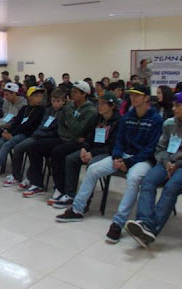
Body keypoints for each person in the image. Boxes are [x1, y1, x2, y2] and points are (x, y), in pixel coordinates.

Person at [55, 84, 163, 245]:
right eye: (131, 95)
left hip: (142, 160)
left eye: (137, 95)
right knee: (93, 169)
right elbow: (119, 141)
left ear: (146, 98)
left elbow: (151, 148)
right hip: (122, 156)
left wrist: (129, 162)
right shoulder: (127, 117)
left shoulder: (156, 120)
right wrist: (117, 156)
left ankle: (118, 222)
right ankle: (77, 209)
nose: (133, 98)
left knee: (134, 178)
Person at [125, 92, 182, 247]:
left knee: (171, 187)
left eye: (178, 105)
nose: (174, 108)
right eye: (173, 105)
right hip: (166, 162)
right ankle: (143, 222)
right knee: (148, 182)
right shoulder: (169, 123)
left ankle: (151, 228)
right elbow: (160, 148)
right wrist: (165, 161)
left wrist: (180, 164)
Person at [23, 81, 97, 198]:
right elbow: (61, 128)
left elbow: (78, 129)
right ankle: (37, 184)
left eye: (75, 92)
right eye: (72, 91)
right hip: (66, 138)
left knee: (58, 152)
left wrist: (70, 118)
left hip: (79, 142)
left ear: (84, 94)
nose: (72, 94)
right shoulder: (70, 106)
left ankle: (60, 188)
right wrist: (72, 133)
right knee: (35, 146)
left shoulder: (89, 111)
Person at [49, 91, 121, 209]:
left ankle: (84, 203)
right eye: (99, 103)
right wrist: (84, 148)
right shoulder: (97, 118)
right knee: (71, 159)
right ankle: (70, 195)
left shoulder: (118, 122)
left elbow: (112, 146)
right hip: (91, 149)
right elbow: (87, 136)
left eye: (103, 104)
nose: (99, 106)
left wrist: (92, 153)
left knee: (92, 165)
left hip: (106, 153)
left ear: (112, 106)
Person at [3, 88, 67, 188]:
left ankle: (27, 178)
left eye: (58, 101)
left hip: (48, 138)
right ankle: (23, 176)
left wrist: (41, 134)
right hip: (38, 135)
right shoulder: (48, 110)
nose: (55, 103)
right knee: (21, 147)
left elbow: (56, 130)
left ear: (63, 101)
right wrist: (38, 133)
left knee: (23, 148)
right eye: (53, 101)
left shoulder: (63, 112)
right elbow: (42, 124)